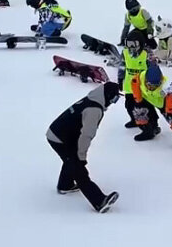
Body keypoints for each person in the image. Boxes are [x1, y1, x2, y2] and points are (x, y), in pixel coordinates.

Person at [45, 82, 122, 213]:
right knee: (77, 168)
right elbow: (86, 135)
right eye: (114, 99)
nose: (113, 103)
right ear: (108, 96)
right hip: (59, 138)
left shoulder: (92, 99)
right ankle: (99, 201)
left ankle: (65, 185)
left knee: (70, 160)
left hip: (62, 135)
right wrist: (81, 157)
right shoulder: (94, 110)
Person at [120, 29, 150, 131]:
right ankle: (134, 120)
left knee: (142, 107)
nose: (131, 47)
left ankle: (148, 125)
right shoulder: (125, 53)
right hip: (129, 85)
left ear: (140, 43)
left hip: (142, 87)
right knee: (129, 105)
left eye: (134, 44)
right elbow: (122, 66)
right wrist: (120, 79)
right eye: (129, 44)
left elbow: (153, 69)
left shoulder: (146, 54)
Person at [128, 61, 167, 142]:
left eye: (156, 85)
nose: (152, 87)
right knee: (139, 111)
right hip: (146, 98)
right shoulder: (138, 79)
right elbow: (136, 89)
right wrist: (138, 100)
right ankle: (149, 131)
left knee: (171, 117)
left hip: (161, 102)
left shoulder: (166, 86)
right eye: (150, 85)